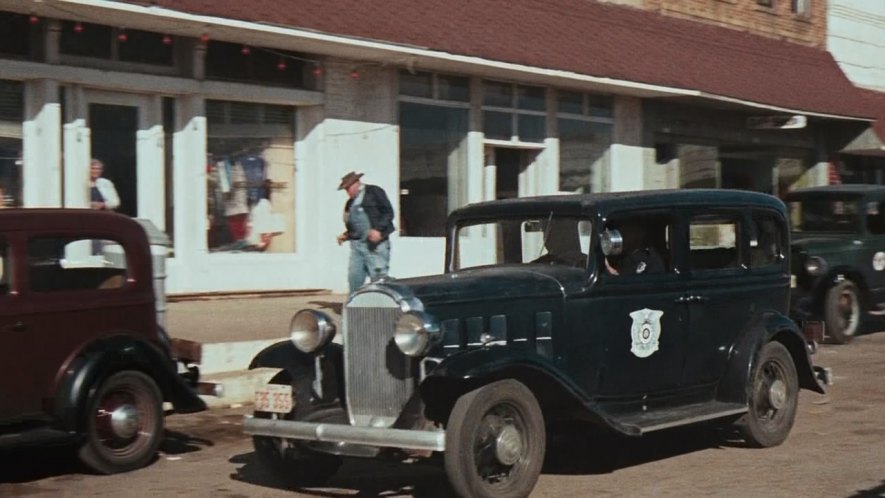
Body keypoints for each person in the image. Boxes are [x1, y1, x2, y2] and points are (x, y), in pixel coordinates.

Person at [336, 171, 395, 294]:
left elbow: (388, 212)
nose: (348, 191)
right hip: (357, 247)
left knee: (379, 280)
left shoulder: (374, 192)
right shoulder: (350, 203)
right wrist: (346, 235)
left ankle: (383, 308)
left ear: (357, 183)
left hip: (376, 246)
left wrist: (378, 229)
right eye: (345, 189)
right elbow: (354, 226)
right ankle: (354, 308)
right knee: (354, 278)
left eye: (349, 187)